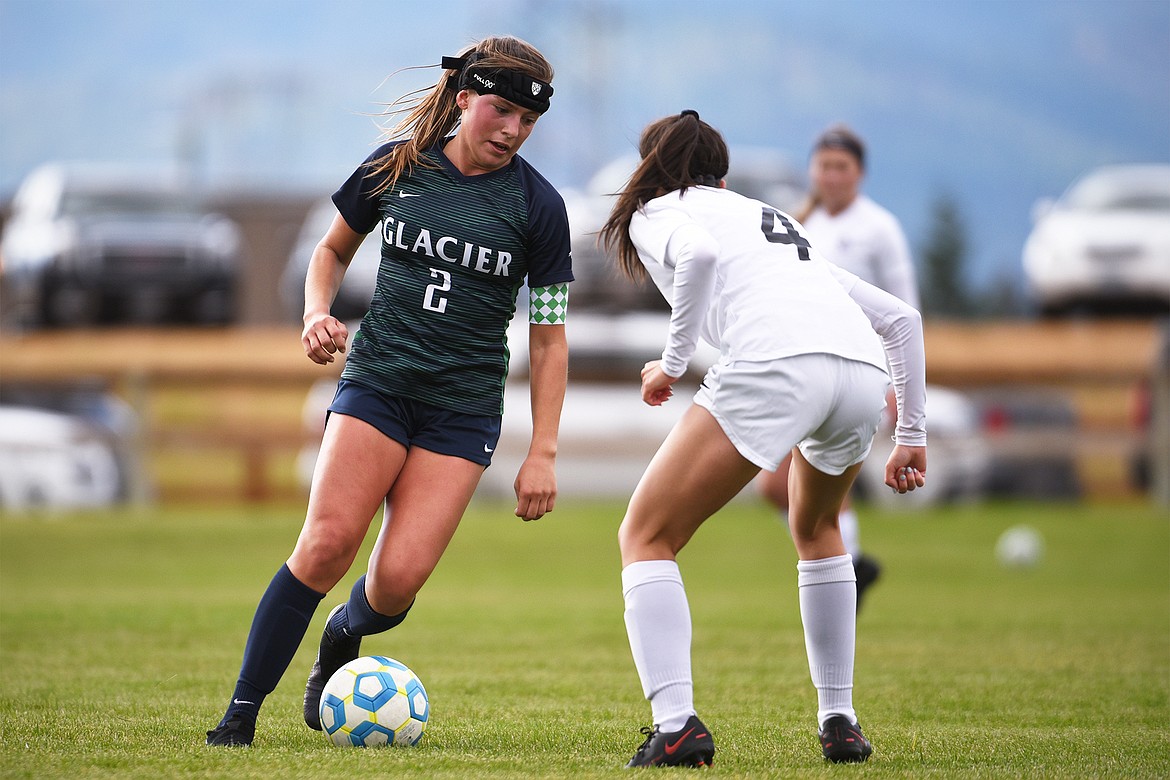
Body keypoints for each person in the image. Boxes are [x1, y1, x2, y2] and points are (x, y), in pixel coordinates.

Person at [205, 35, 573, 747]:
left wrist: (545, 452)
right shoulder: (398, 166)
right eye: (499, 111)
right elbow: (329, 250)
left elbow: (550, 336)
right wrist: (317, 312)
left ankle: (344, 634)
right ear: (465, 98)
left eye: (527, 122)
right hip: (377, 383)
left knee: (398, 581)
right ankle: (241, 714)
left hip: (462, 408)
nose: (511, 131)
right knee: (326, 545)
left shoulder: (539, 207)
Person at [598, 110, 927, 767]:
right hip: (859, 376)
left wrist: (671, 362)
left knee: (645, 535)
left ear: (651, 169)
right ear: (721, 176)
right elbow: (900, 319)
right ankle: (841, 720)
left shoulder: (659, 208)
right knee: (819, 528)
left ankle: (676, 725)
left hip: (778, 365)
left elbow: (698, 256)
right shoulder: (774, 221)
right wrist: (911, 434)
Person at [756, 124, 920, 610]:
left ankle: (841, 571)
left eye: (840, 167)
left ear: (859, 173)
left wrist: (900, 387)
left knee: (815, 484)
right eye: (823, 166)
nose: (830, 176)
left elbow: (905, 310)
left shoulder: (879, 229)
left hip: (860, 375)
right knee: (775, 486)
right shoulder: (800, 222)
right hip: (809, 367)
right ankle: (850, 564)